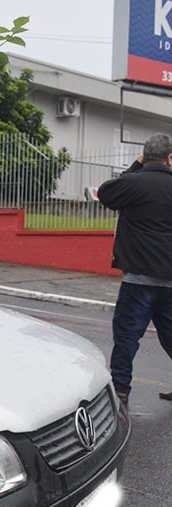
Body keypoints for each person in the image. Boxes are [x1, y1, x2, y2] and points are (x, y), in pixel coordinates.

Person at [97, 132, 172, 407]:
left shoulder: (132, 183)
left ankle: (121, 390)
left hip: (138, 279)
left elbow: (106, 192)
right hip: (170, 281)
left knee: (127, 337)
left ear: (145, 155)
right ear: (170, 158)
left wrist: (136, 165)